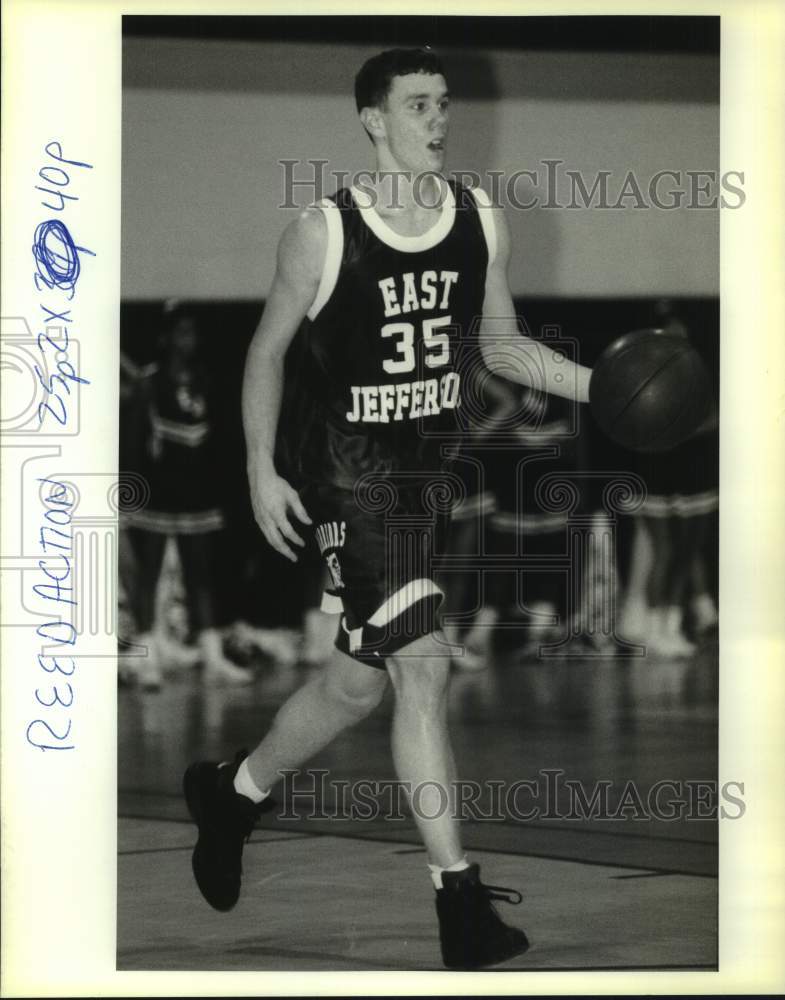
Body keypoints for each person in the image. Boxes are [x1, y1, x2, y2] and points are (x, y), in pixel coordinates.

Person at [183, 48, 591, 969]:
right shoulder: (322, 233)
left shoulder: (478, 218)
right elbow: (265, 353)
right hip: (341, 473)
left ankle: (233, 793)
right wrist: (259, 468)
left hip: (421, 477)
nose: (438, 121)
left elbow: (503, 347)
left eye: (443, 104)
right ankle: (458, 904)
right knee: (424, 665)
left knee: (357, 683)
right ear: (373, 118)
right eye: (417, 105)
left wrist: (603, 384)